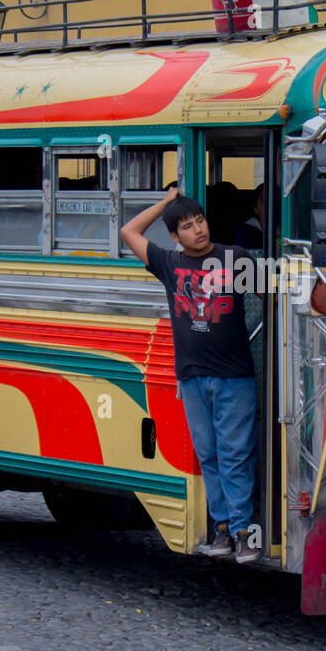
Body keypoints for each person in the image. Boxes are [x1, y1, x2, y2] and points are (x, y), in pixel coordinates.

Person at [120, 187, 260, 563]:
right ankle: (221, 529)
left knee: (234, 454)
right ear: (174, 236)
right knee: (209, 455)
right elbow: (129, 232)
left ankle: (245, 532)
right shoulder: (168, 263)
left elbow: (271, 296)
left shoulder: (235, 258)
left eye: (200, 220)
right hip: (193, 377)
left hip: (234, 377)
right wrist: (165, 203)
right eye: (186, 225)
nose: (197, 229)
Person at [234, 183, 265, 251]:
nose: (271, 205)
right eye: (264, 201)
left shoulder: (289, 229)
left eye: (276, 199)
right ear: (256, 209)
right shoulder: (245, 233)